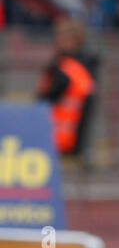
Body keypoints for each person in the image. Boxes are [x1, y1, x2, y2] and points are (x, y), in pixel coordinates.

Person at [37, 16, 97, 157]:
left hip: (60, 138)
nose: (57, 40)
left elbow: (46, 97)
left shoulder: (67, 68)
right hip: (67, 138)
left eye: (61, 36)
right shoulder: (83, 67)